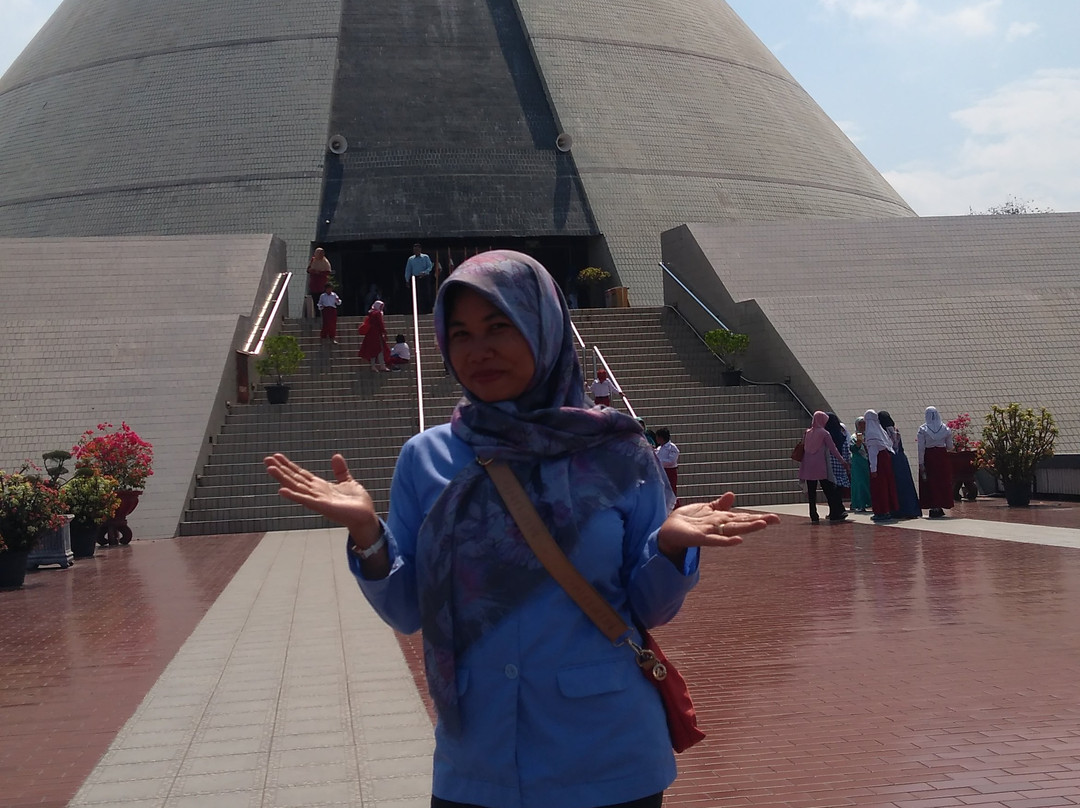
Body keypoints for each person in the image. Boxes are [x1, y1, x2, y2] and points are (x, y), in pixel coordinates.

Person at [264, 250, 780, 808]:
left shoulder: (618, 453)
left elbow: (648, 608)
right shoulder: (426, 458)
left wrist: (670, 547)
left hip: (607, 757)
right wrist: (368, 533)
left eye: (498, 326)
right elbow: (409, 609)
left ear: (544, 326)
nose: (477, 349)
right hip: (476, 761)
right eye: (459, 333)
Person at [798, 411, 849, 523]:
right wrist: (843, 461)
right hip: (820, 466)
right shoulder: (825, 433)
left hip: (808, 466)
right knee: (829, 489)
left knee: (811, 492)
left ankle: (813, 514)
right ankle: (836, 511)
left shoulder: (807, 432)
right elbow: (833, 449)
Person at [878, 411, 921, 518]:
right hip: (901, 459)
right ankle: (911, 509)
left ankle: (897, 510)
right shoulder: (896, 430)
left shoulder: (882, 432)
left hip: (890, 460)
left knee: (895, 485)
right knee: (906, 484)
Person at [917, 406, 954, 518]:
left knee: (930, 481)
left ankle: (933, 506)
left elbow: (921, 448)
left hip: (929, 457)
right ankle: (941, 504)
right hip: (942, 456)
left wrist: (921, 462)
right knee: (942, 480)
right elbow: (950, 446)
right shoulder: (945, 429)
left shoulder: (923, 429)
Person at [863, 409, 899, 522]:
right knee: (887, 484)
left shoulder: (870, 433)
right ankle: (888, 509)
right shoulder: (880, 431)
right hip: (885, 460)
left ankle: (881, 511)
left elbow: (873, 452)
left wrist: (873, 469)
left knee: (879, 487)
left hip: (878, 462)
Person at [825, 412, 851, 504]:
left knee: (830, 488)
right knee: (839, 487)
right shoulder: (842, 435)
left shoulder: (826, 435)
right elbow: (846, 451)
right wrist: (847, 463)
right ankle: (839, 506)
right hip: (841, 464)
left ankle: (835, 508)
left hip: (829, 465)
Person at [357, 300, 390, 372]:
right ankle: (382, 366)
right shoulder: (377, 313)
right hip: (377, 334)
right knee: (380, 350)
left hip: (370, 334)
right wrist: (384, 332)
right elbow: (380, 324)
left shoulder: (371, 313)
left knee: (373, 351)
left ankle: (374, 366)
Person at [848, 417, 872, 512]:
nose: (862, 426)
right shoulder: (854, 437)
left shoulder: (870, 435)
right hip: (858, 463)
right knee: (859, 483)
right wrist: (858, 444)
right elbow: (852, 449)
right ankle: (860, 504)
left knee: (869, 483)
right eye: (860, 424)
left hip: (868, 462)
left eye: (864, 424)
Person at [405, 243, 435, 313]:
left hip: (425, 277)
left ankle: (427, 310)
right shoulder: (411, 259)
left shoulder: (425, 257)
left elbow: (430, 266)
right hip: (415, 278)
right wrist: (407, 280)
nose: (416, 251)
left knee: (426, 294)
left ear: (420, 250)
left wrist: (425, 272)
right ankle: (418, 311)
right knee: (417, 295)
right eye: (414, 249)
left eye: (417, 249)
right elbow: (408, 270)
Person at [654, 427, 680, 505]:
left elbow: (671, 461)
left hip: (670, 471)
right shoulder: (659, 448)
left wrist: (659, 462)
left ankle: (675, 507)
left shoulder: (672, 447)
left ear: (662, 438)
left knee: (671, 491)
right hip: (661, 471)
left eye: (657, 437)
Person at [306, 247, 332, 313]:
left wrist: (319, 272)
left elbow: (328, 271)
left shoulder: (325, 262)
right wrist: (313, 271)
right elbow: (308, 270)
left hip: (322, 284)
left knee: (323, 299)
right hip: (314, 284)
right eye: (319, 253)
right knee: (315, 300)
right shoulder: (313, 260)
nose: (320, 255)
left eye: (322, 253)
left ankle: (324, 314)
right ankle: (317, 314)